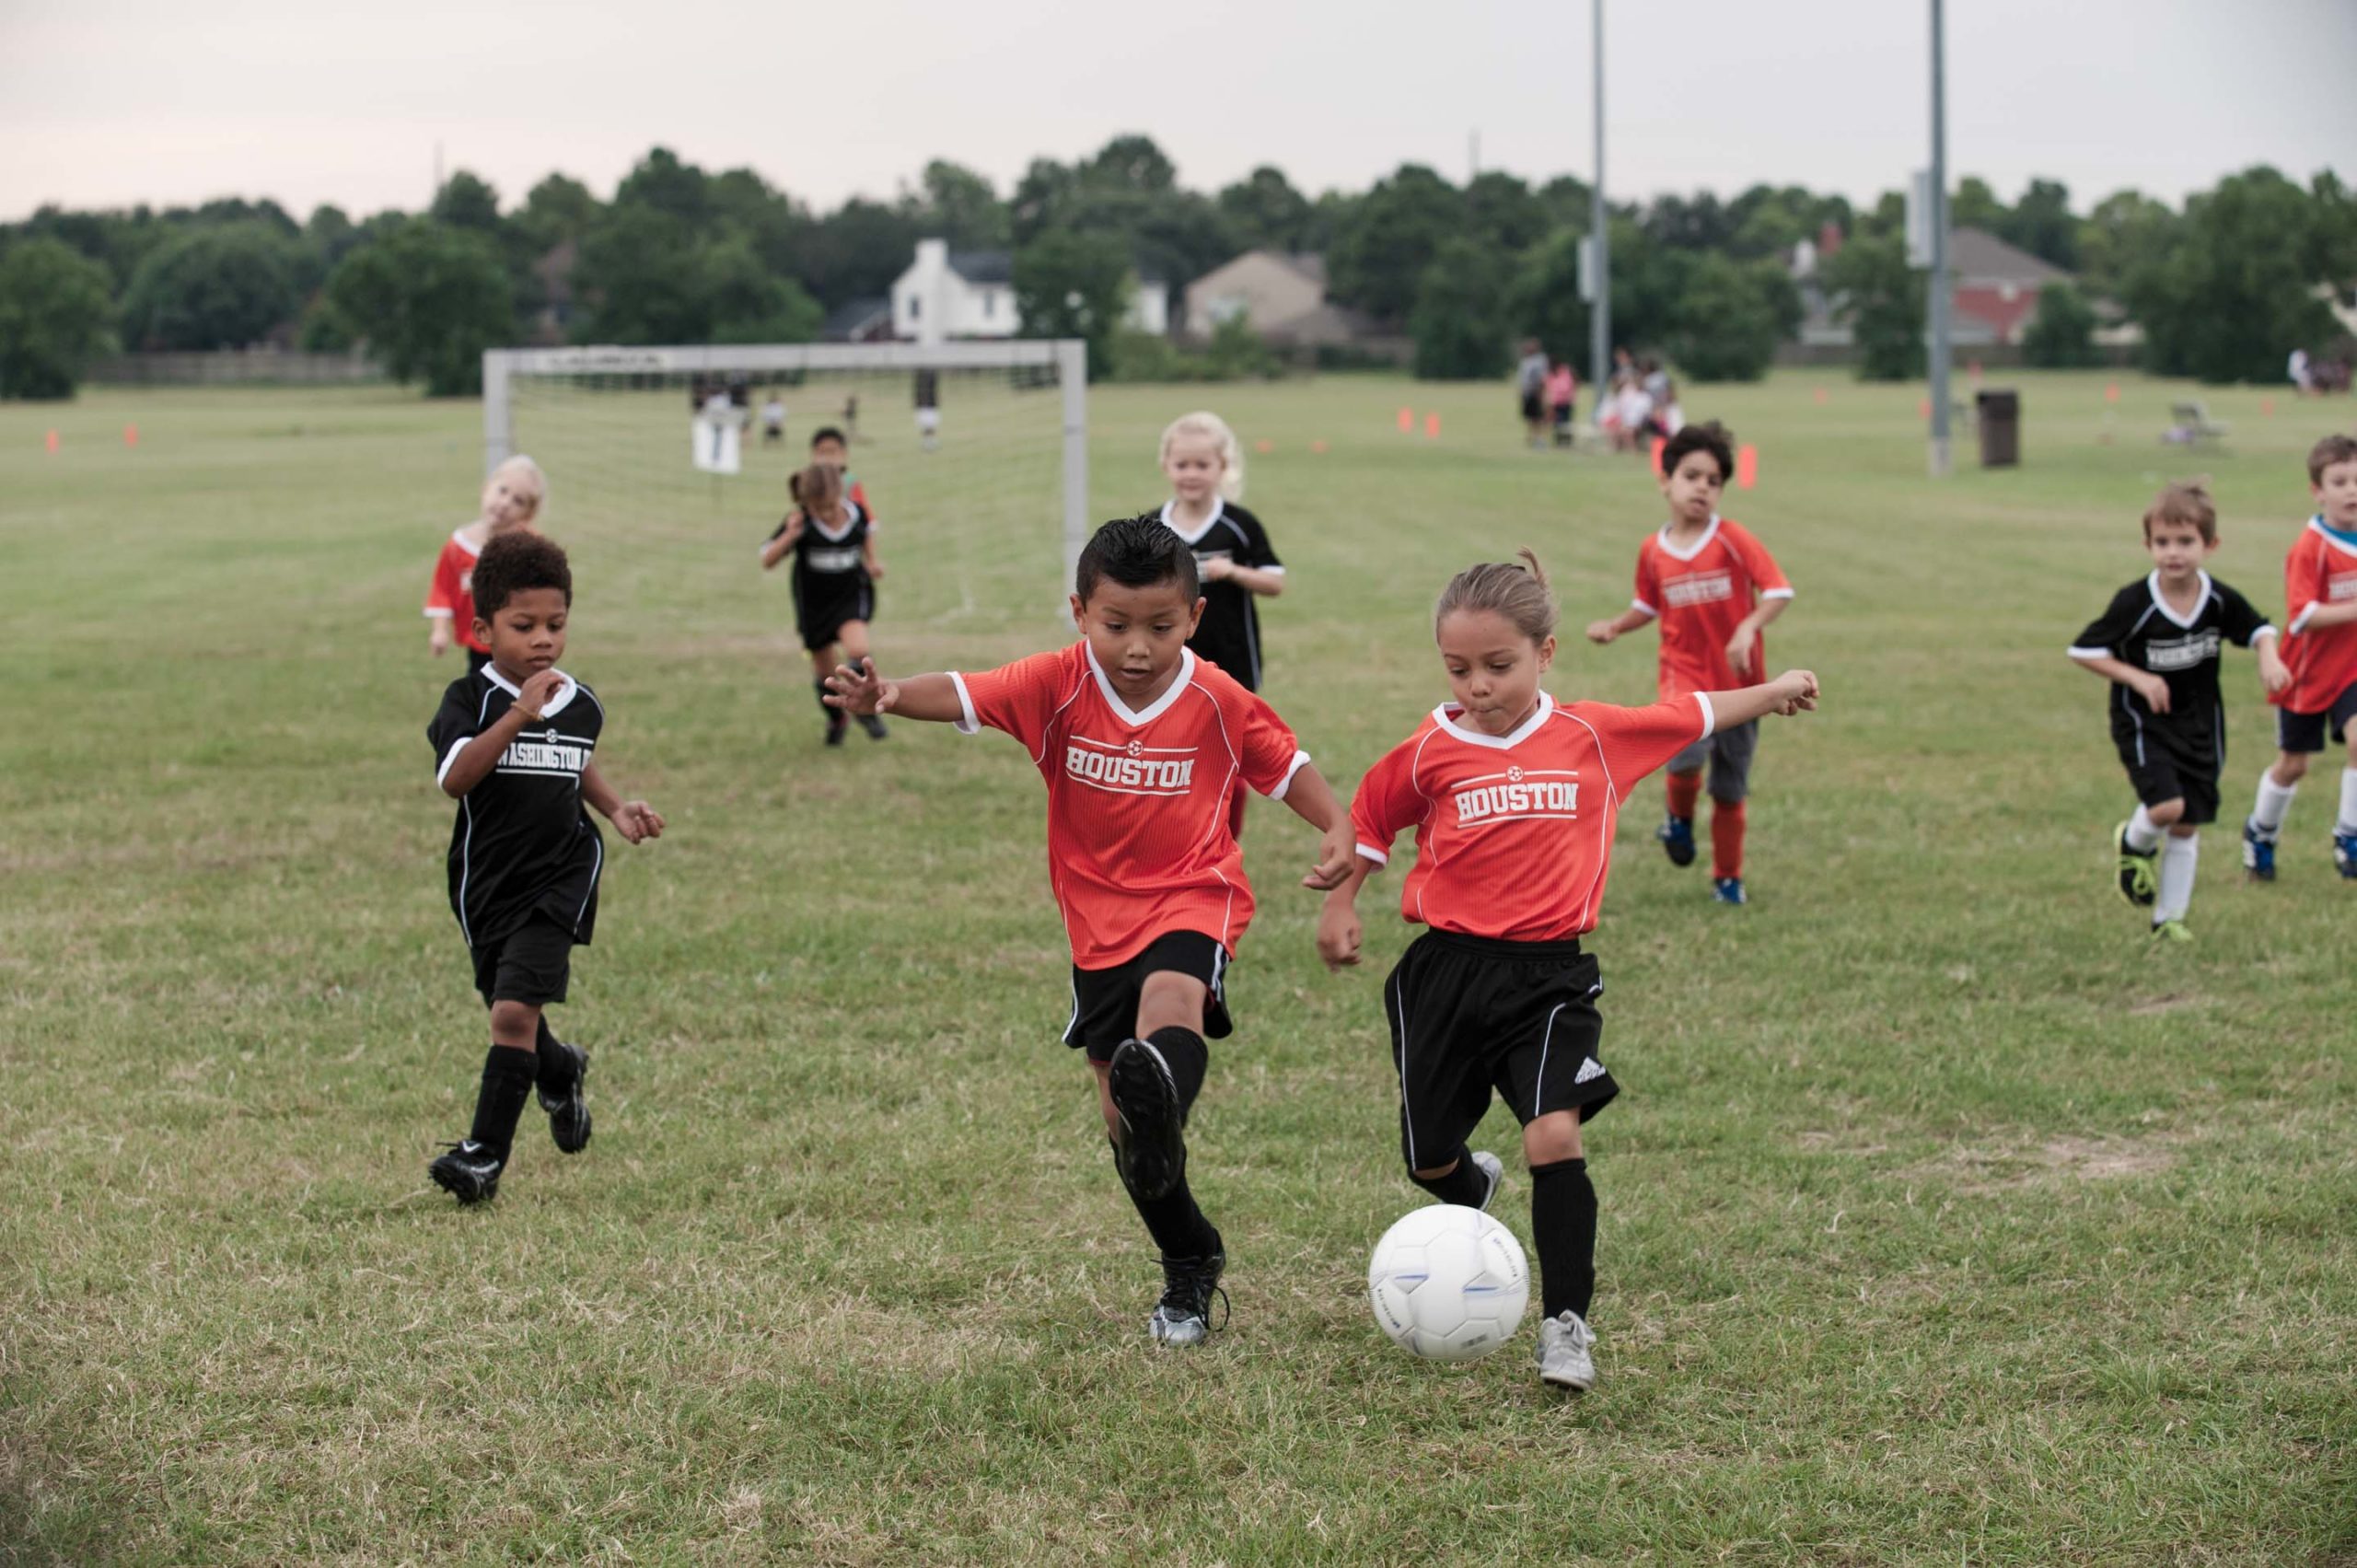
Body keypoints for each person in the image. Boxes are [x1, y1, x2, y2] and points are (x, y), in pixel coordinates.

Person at [824, 516, 1356, 1346]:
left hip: (1194, 891)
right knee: (1128, 1137)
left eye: (1160, 626)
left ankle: (1165, 1094)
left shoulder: (1217, 696)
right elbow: (965, 692)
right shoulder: (1057, 684)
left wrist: (1334, 823)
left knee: (1173, 1005)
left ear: (1195, 618)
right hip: (1096, 921)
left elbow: (1283, 763)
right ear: (1079, 612)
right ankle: (1191, 1256)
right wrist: (889, 695)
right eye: (1117, 626)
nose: (1138, 647)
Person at [1318, 550, 1818, 1390]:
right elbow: (1373, 818)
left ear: (1545, 653)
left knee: (1554, 1134)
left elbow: (1692, 714)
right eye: (1459, 668)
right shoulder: (1428, 750)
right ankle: (1470, 1179)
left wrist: (1774, 689)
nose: (1478, 685)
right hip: (1443, 971)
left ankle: (1566, 1327)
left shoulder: (1590, 734)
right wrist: (1343, 903)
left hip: (1549, 978)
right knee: (1429, 1158)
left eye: (1498, 666)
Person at [423, 532, 665, 1203]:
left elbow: (571, 760)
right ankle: (560, 1071)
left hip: (560, 876)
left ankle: (483, 1157)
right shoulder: (468, 699)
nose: (543, 641)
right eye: (523, 625)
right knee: (514, 1016)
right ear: (483, 627)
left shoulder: (580, 702)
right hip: (486, 884)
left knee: (510, 1016)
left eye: (555, 625)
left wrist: (615, 808)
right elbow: (457, 777)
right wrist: (517, 713)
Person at [1585, 421, 1794, 904]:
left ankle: (1728, 877)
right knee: (1686, 755)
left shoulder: (1733, 540)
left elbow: (1779, 591)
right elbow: (1650, 605)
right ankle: (1678, 819)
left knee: (1728, 788)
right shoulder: (1653, 551)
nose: (1703, 487)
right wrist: (1617, 625)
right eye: (1692, 475)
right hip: (1684, 680)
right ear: (1665, 480)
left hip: (1742, 689)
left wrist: (1747, 628)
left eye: (1714, 481)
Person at [2069, 482, 2286, 940]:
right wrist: (2139, 678)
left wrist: (2269, 655)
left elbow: (2260, 627)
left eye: (2186, 542)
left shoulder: (2218, 599)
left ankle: (2169, 920)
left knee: (2187, 822)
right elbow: (2084, 650)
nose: (2174, 553)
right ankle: (2133, 843)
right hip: (2144, 724)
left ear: (2210, 544)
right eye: (2163, 542)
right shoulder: (2136, 602)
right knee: (2167, 807)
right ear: (2148, 544)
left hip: (2202, 725)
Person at [1154, 412, 1285, 841]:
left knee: (1228, 755)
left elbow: (1275, 581)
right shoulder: (1153, 526)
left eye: (1202, 465)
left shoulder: (1239, 525)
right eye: (1182, 464)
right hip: (1166, 662)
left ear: (1222, 467)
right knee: (1171, 749)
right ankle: (1173, 832)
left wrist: (1233, 572)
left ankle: (1223, 840)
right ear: (1166, 466)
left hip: (1231, 660)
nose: (1191, 474)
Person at [2243, 434, 2357, 880]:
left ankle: (2349, 837)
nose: (2352, 490)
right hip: (2305, 675)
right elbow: (2303, 615)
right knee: (2293, 766)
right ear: (2317, 490)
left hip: (2352, 671)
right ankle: (2260, 832)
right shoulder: (2310, 547)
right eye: (2340, 481)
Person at [761, 463, 887, 746]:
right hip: (814, 606)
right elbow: (767, 560)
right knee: (826, 674)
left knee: (859, 651)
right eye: (819, 509)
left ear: (840, 494)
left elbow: (865, 535)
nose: (826, 514)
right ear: (806, 503)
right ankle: (837, 718)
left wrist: (872, 562)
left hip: (849, 598)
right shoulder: (800, 521)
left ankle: (866, 708)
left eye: (830, 507)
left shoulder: (857, 514)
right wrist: (789, 536)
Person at [424, 456, 546, 672]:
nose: (505, 503)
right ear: (486, 488)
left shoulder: (530, 548)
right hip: (480, 645)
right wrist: (439, 630)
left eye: (518, 501)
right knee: (483, 697)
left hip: (520, 644)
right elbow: (442, 590)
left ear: (528, 514)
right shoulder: (458, 546)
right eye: (502, 491)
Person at [1515, 340, 1550, 447]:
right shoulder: (1525, 361)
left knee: (1539, 417)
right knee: (1530, 417)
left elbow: (1542, 378)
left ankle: (1540, 438)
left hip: (1536, 392)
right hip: (1527, 393)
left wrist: (1541, 393)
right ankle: (1531, 437)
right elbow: (1522, 379)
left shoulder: (1540, 361)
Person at [1545, 359, 1577, 448]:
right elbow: (1549, 388)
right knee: (1557, 423)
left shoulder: (1565, 373)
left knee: (1566, 423)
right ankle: (1559, 442)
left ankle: (1567, 442)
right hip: (1555, 403)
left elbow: (1567, 387)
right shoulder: (1550, 375)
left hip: (1566, 402)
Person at [913, 369, 940, 453]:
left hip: (930, 404)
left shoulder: (932, 373)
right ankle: (927, 442)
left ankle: (929, 441)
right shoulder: (919, 373)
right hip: (922, 404)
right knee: (925, 424)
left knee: (931, 424)